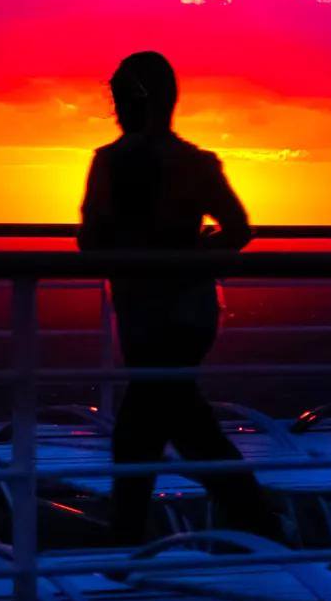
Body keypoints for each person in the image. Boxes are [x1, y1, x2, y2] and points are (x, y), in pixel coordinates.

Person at [78, 50, 281, 545]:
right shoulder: (195, 164)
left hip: (143, 313)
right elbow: (237, 229)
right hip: (188, 313)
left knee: (144, 428)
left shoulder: (108, 164)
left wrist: (134, 253)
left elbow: (89, 241)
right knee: (176, 422)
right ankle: (264, 532)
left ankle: (127, 545)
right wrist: (193, 254)